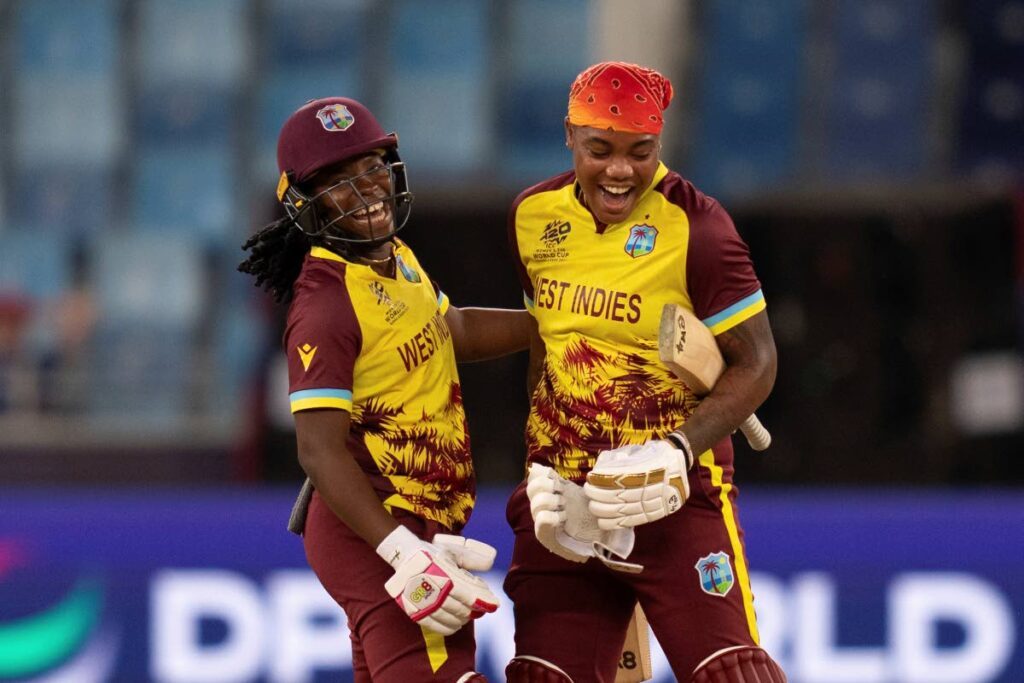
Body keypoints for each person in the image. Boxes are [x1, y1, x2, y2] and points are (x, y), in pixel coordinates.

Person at [503, 62, 786, 682]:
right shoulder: (532, 216)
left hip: (672, 499)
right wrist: (541, 467)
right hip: (565, 506)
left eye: (641, 151)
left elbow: (758, 362)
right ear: (569, 136)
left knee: (732, 675)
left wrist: (679, 448)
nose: (620, 170)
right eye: (600, 149)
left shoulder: (699, 229)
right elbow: (544, 347)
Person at [239, 97, 531, 682]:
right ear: (305, 204)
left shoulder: (395, 258)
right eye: (338, 181)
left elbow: (458, 331)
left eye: (371, 168)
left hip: (414, 523)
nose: (366, 189)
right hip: (376, 528)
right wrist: (399, 549)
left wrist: (558, 319)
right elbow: (317, 450)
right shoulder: (326, 304)